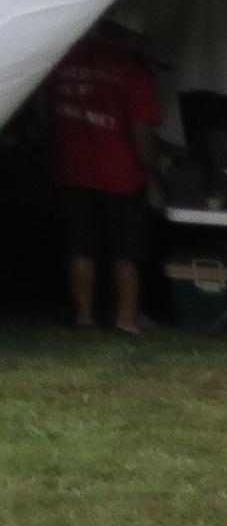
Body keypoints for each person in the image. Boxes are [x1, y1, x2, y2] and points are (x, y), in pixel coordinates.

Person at [46, 21, 163, 335]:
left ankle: (83, 317)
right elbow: (141, 131)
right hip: (121, 174)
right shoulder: (133, 72)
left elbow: (43, 113)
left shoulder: (62, 61)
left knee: (80, 247)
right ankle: (126, 320)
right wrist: (153, 170)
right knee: (127, 251)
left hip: (71, 169)